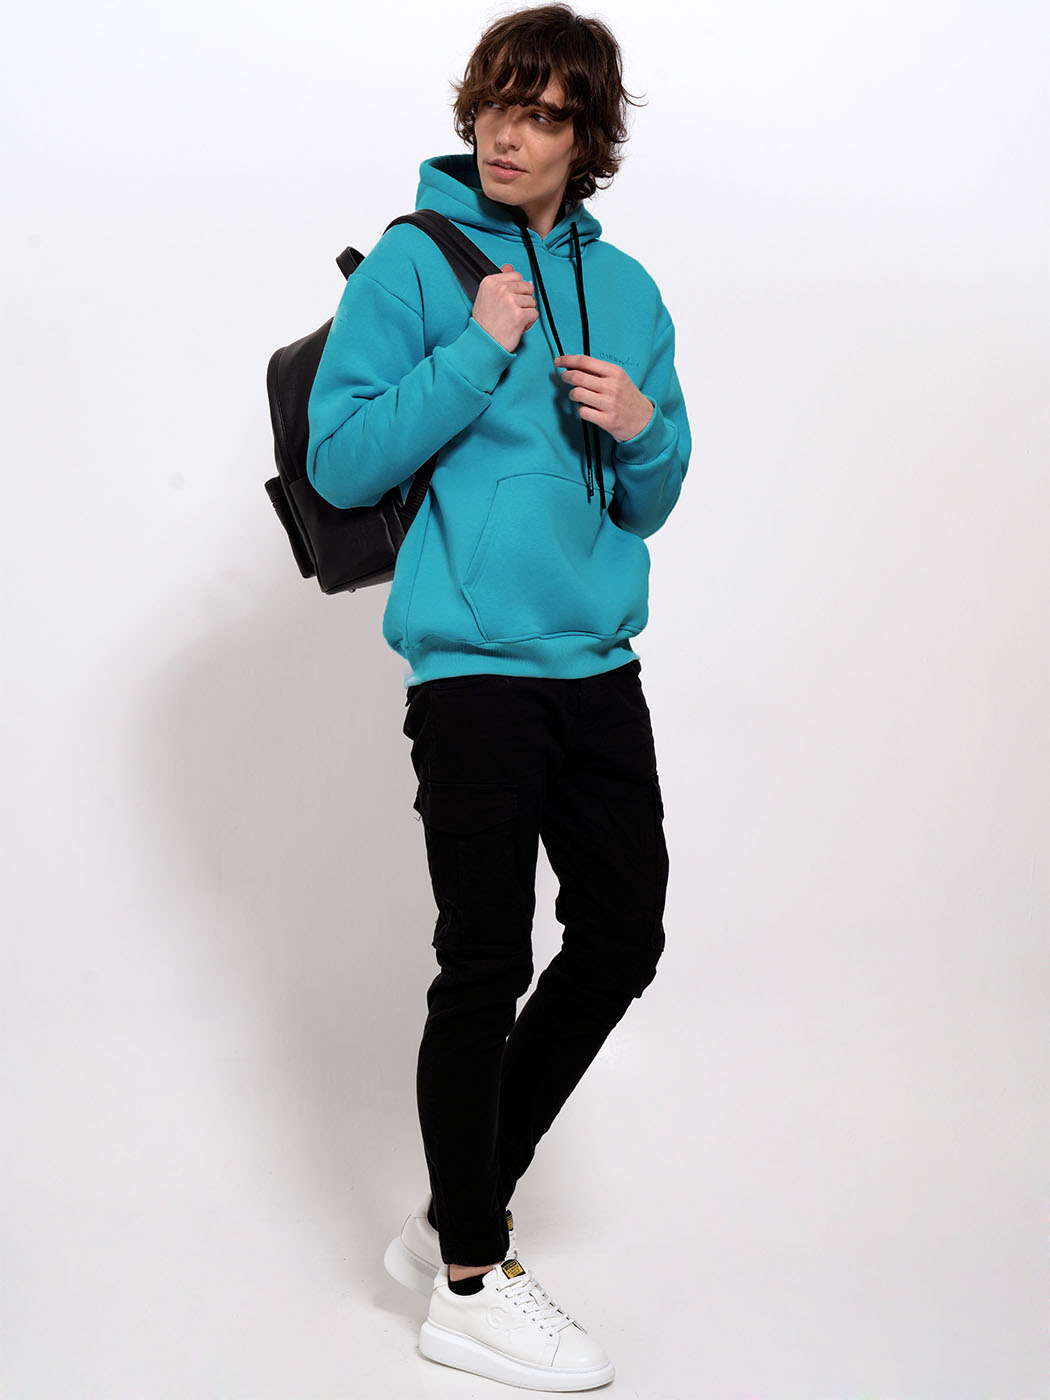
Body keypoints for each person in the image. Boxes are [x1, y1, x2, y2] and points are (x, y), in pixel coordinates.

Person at [307, 3, 690, 1389]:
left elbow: (649, 500)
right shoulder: (416, 262)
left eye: (542, 115)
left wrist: (642, 430)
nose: (508, 135)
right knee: (485, 961)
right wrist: (476, 349)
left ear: (587, 140)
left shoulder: (627, 288)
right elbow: (340, 462)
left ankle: (452, 1206)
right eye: (495, 106)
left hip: (598, 666)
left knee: (622, 938)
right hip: (471, 673)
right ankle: (469, 1279)